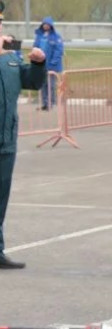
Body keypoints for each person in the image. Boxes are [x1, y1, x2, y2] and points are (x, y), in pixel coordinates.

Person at [0, 26, 47, 269]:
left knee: (1, 199)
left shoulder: (10, 57)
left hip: (6, 141)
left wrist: (38, 64)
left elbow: (31, 82)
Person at [32, 17, 64, 110]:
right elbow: (35, 47)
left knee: (50, 84)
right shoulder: (40, 36)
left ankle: (51, 102)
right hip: (41, 64)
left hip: (52, 66)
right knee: (43, 84)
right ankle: (45, 103)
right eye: (44, 24)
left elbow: (58, 51)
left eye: (48, 24)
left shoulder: (56, 37)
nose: (46, 26)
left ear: (51, 25)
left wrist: (53, 63)